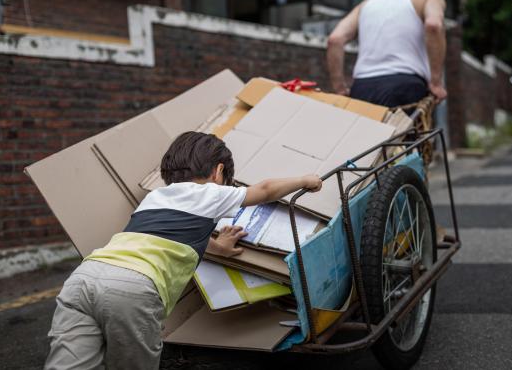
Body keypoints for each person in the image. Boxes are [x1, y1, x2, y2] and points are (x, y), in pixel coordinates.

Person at [45, 131, 322, 369]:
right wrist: (304, 181)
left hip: (84, 278)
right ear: (219, 171)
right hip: (132, 290)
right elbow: (265, 189)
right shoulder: (212, 192)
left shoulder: (156, 197)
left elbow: (173, 235)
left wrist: (219, 248)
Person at [327, 0, 448, 107]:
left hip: (362, 88)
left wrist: (339, 88)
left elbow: (335, 39)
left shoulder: (368, 2)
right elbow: (434, 25)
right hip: (404, 85)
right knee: (404, 131)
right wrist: (436, 82)